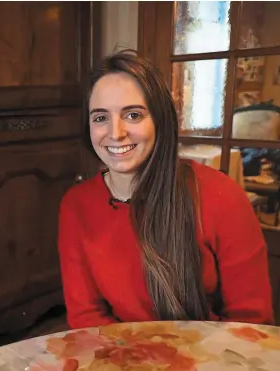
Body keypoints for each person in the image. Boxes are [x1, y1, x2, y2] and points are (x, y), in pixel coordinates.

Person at [58, 51, 274, 329]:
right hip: (120, 361)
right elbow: (86, 318)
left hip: (211, 362)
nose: (116, 133)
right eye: (100, 118)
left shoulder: (220, 196)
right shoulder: (76, 205)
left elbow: (252, 323)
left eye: (133, 115)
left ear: (160, 121)